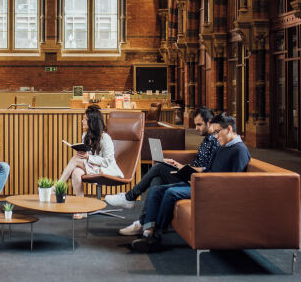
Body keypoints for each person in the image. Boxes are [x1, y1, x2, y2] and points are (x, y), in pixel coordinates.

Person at [130, 113, 250, 252]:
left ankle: (155, 237)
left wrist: (202, 181)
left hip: (212, 190)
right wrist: (188, 173)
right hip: (203, 183)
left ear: (229, 129)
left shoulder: (239, 151)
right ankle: (147, 231)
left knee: (171, 193)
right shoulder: (222, 147)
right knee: (157, 190)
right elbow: (209, 170)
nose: (215, 136)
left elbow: (233, 183)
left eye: (217, 132)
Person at [107, 106, 219, 236]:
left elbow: (207, 169)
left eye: (199, 125)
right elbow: (199, 163)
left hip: (197, 178)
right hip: (189, 173)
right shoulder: (206, 140)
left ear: (209, 122)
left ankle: (130, 197)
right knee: (157, 179)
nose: (196, 129)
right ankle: (144, 223)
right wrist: (180, 165)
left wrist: (181, 167)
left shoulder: (216, 142)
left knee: (160, 167)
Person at [58, 104, 123, 219]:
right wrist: (83, 153)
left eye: (85, 119)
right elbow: (88, 156)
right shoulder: (85, 136)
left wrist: (88, 157)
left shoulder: (105, 138)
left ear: (92, 122)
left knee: (76, 160)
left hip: (105, 169)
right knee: (76, 172)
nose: (82, 121)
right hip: (92, 166)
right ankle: (82, 209)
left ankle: (59, 186)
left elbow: (108, 161)